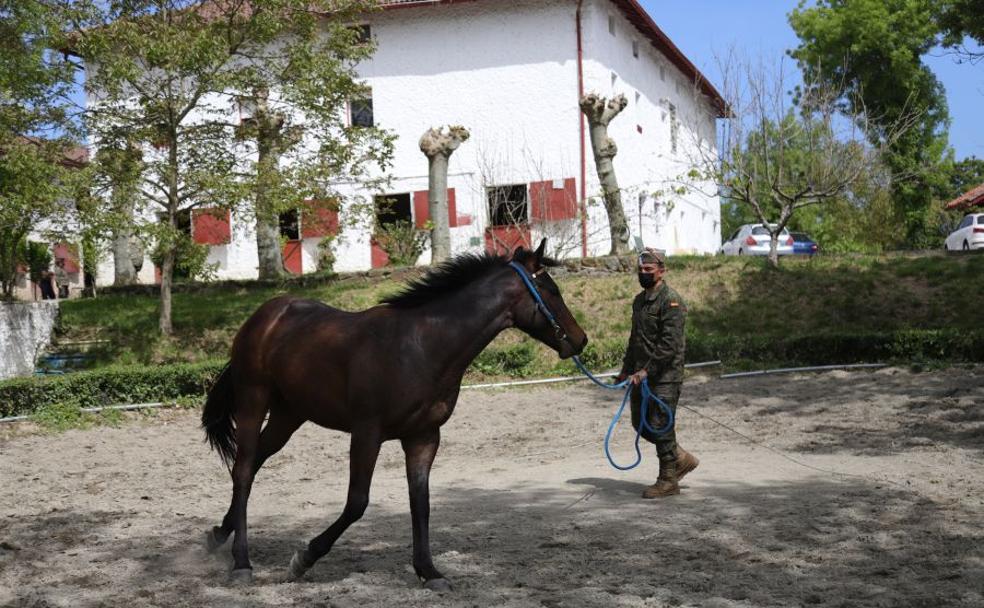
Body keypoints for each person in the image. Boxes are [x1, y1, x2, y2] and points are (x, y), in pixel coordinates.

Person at [615, 248, 699, 499]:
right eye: (640, 270)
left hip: (665, 376)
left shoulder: (671, 300)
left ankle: (668, 480)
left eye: (648, 270)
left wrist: (645, 371)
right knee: (640, 424)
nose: (643, 274)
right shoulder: (639, 301)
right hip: (640, 374)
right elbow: (635, 341)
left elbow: (669, 345)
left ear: (661, 271)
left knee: (661, 425)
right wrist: (625, 371)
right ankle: (680, 458)